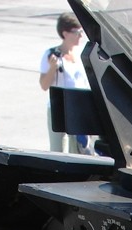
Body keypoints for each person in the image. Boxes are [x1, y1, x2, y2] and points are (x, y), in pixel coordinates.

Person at [39, 12, 92, 154]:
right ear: (65, 33)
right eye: (77, 32)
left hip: (80, 107)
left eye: (82, 31)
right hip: (59, 107)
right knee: (58, 151)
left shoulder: (82, 53)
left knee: (81, 151)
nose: (81, 35)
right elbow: (44, 85)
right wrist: (52, 68)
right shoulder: (51, 55)